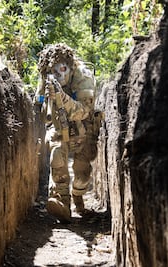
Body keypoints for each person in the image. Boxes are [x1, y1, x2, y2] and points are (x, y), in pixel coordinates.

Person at [34, 43, 102, 223]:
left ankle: (78, 196)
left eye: (62, 69)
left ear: (70, 67)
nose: (58, 75)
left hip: (82, 127)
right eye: (53, 71)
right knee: (56, 156)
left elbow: (85, 111)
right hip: (58, 128)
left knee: (82, 175)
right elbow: (38, 101)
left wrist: (63, 98)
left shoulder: (83, 77)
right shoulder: (46, 76)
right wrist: (44, 99)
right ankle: (61, 200)